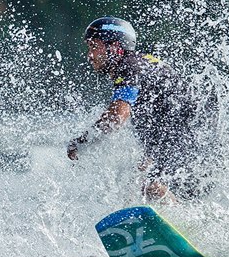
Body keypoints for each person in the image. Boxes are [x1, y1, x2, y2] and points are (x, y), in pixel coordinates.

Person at [67, 16, 218, 202]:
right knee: (134, 182)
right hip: (192, 144)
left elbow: (116, 118)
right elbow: (162, 122)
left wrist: (82, 142)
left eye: (94, 47)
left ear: (114, 47)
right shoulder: (139, 65)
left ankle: (189, 223)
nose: (89, 55)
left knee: (150, 186)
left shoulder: (130, 67)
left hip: (194, 145)